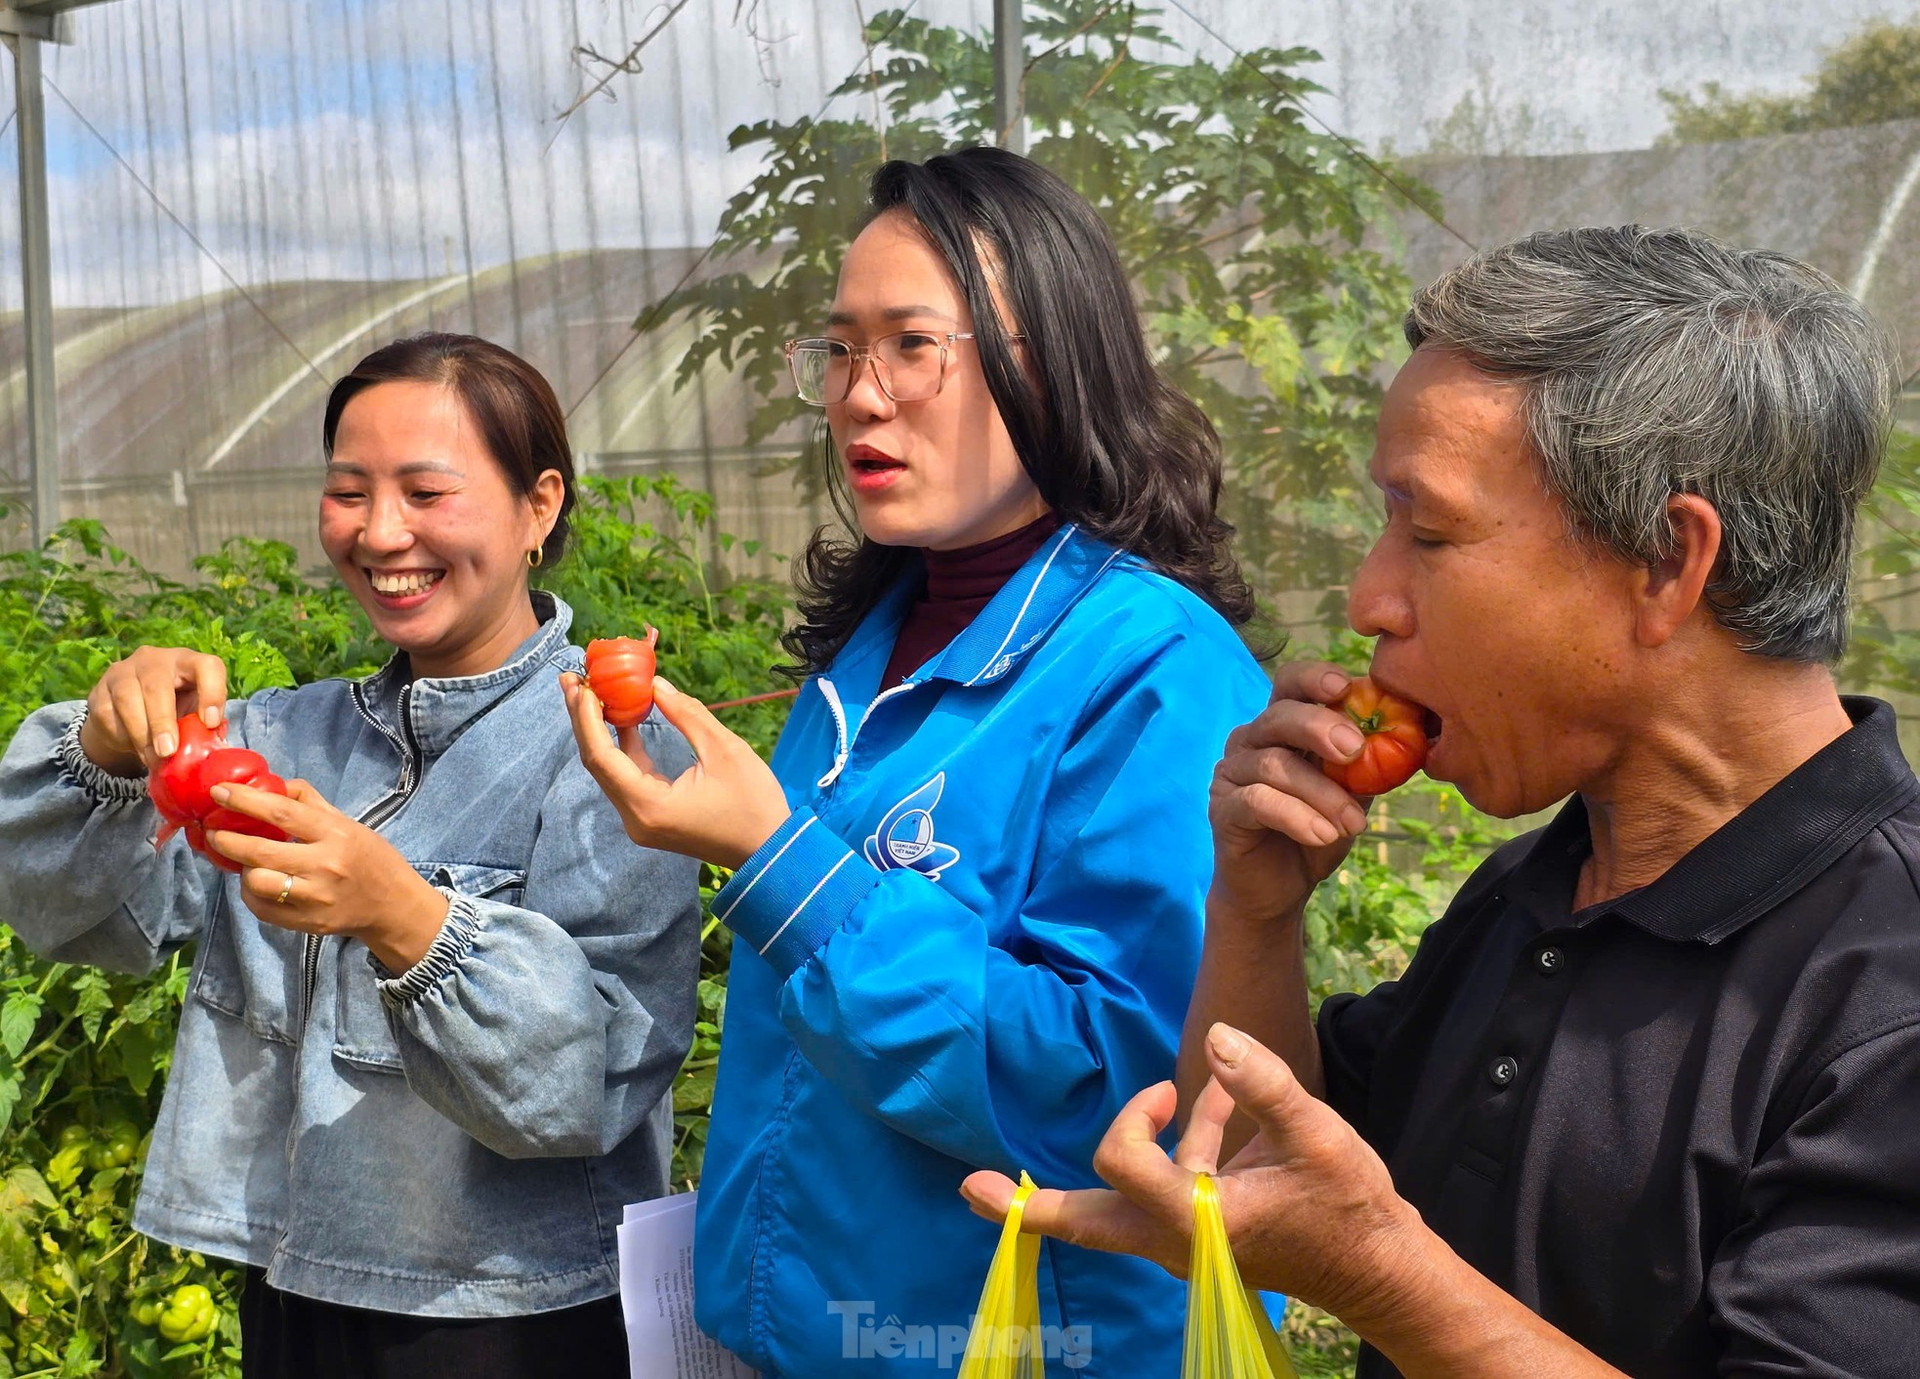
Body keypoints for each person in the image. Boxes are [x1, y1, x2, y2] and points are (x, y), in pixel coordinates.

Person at [960, 227, 1920, 1376]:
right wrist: (1257, 917)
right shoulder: (1537, 891)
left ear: (1667, 560)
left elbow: (1367, 1247)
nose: (1371, 598)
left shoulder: (1888, 986)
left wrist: (1382, 1272)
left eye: (1428, 531)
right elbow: (1275, 1152)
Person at [561, 146, 1273, 1377]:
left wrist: (772, 858)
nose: (857, 394)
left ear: (1048, 365)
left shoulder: (1154, 669)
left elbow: (1113, 1089)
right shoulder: (868, 650)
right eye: (839, 350)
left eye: (910, 345)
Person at [0, 333, 703, 1378]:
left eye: (426, 490)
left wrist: (404, 916)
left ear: (539, 505)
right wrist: (104, 747)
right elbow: (65, 909)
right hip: (293, 1280)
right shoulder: (289, 737)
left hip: (512, 1313)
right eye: (348, 491)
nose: (380, 532)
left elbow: (596, 1077)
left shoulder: (610, 749)